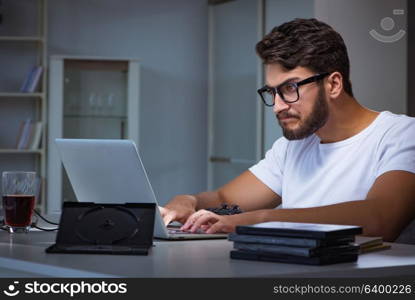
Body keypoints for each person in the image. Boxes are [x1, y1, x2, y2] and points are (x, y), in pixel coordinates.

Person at [159, 18, 415, 242]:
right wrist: (188, 201)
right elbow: (225, 199)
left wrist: (261, 219)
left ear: (334, 84)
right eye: (272, 92)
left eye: (290, 88)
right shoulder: (292, 147)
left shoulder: (401, 135)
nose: (277, 106)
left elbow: (381, 217)